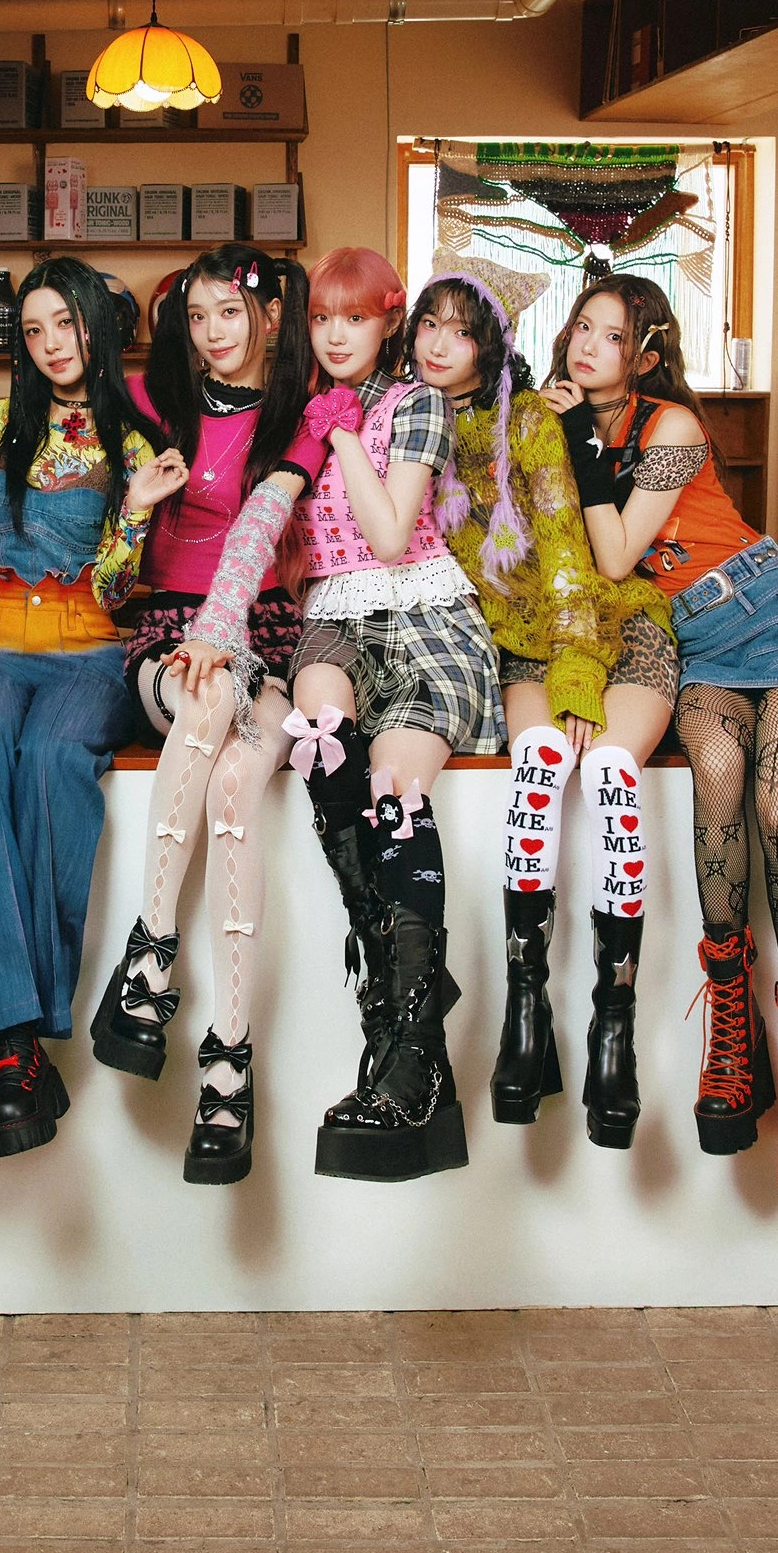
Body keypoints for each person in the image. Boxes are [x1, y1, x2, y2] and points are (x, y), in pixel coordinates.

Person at [546, 273, 778, 1198]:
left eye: (613, 336)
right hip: (698, 646)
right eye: (582, 327)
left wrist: (576, 439)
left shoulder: (672, 426)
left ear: (646, 356)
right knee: (717, 777)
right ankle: (732, 1023)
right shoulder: (560, 427)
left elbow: (616, 554)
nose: (588, 345)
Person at [408, 257, 677, 1149]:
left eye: (462, 329)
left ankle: (614, 1028)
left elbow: (567, 549)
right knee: (538, 768)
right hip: (512, 644)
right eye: (428, 324)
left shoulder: (527, 418)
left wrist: (576, 673)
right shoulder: (410, 418)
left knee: (609, 778)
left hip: (601, 625)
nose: (439, 344)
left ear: (492, 346)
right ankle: (527, 1013)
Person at [0, 257, 184, 1160]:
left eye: (64, 325)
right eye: (32, 330)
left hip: (84, 644)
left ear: (96, 327)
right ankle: (17, 1046)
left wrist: (137, 512)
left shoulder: (135, 438)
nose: (49, 344)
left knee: (50, 767)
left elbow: (114, 589)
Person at [89, 241, 324, 1186]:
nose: (212, 333)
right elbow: (108, 569)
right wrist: (134, 507)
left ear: (269, 315)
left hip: (269, 631)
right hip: (170, 633)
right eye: (195, 317)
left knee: (239, 782)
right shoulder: (152, 406)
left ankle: (229, 1055)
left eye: (229, 312)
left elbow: (282, 525)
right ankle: (151, 947)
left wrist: (233, 633)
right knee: (210, 691)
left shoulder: (306, 410)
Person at [273, 247, 502, 1184]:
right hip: (333, 620)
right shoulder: (294, 405)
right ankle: (404, 1005)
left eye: (356, 318)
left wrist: (338, 437)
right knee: (321, 748)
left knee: (396, 791)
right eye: (323, 317)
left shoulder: (416, 404)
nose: (336, 335)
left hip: (421, 615)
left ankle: (406, 1041)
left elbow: (390, 533)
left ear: (387, 324)